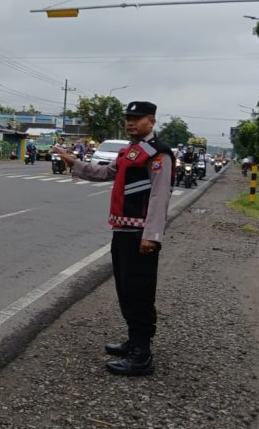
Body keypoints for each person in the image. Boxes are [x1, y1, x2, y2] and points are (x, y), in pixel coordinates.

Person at [52, 100, 174, 376]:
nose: (131, 122)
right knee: (125, 290)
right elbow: (108, 173)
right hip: (122, 232)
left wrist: (151, 235)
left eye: (137, 118)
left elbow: (160, 194)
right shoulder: (131, 151)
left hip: (140, 235)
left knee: (139, 293)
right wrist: (75, 163)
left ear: (151, 121)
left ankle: (142, 355)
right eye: (128, 118)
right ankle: (134, 341)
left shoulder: (158, 154)